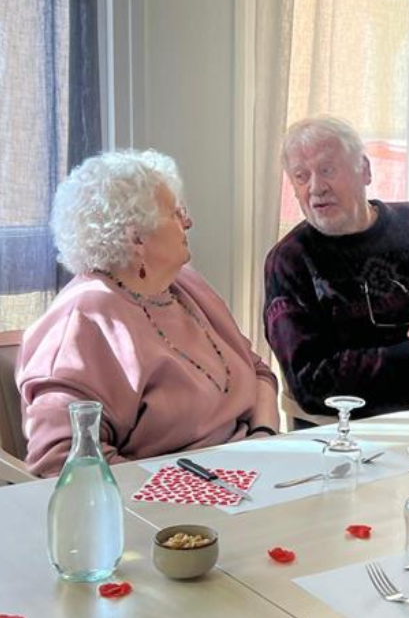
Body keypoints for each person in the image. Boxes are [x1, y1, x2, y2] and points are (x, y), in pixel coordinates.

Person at [17, 150, 279, 478]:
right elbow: (63, 462)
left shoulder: (184, 285)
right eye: (174, 213)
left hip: (255, 471)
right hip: (171, 512)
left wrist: (263, 439)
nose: (188, 221)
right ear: (136, 238)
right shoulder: (83, 320)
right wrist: (193, 490)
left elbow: (257, 372)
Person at [264, 116, 409, 420]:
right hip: (360, 436)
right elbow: (311, 382)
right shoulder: (289, 260)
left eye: (327, 170)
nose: (316, 187)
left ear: (364, 170)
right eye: (301, 176)